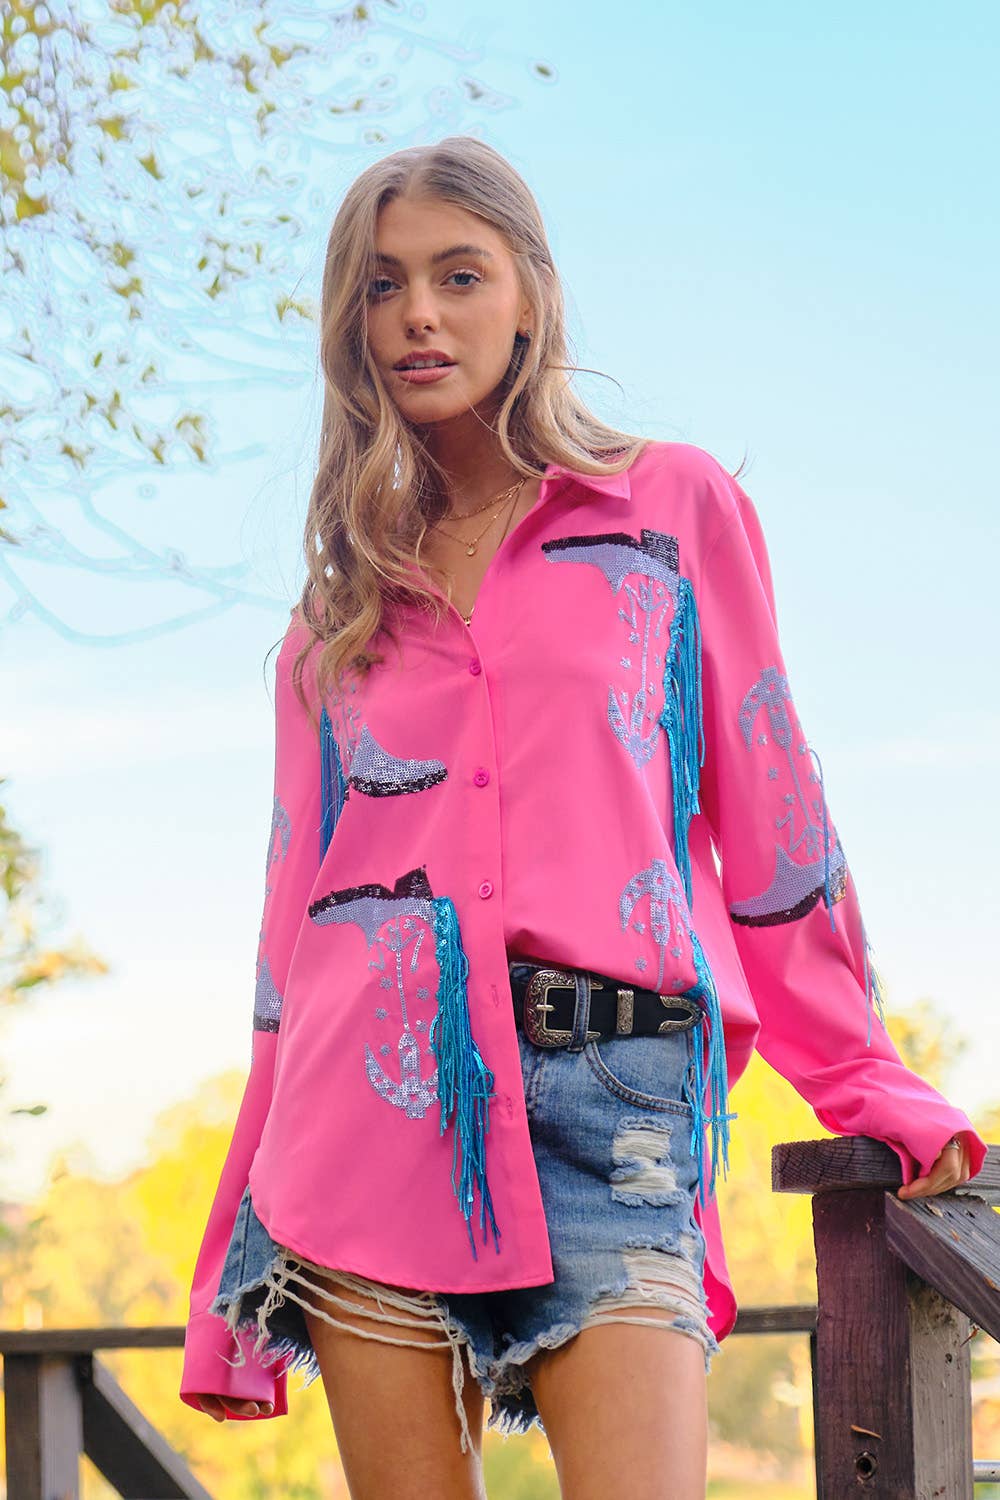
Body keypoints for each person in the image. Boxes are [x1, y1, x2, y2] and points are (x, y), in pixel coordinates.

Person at [178, 135, 987, 1500]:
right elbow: (289, 943)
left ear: (531, 298)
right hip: (365, 1104)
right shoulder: (335, 619)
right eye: (381, 286)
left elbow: (774, 811)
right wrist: (228, 1256)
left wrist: (858, 1077)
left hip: (618, 1100)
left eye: (459, 275)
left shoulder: (669, 511)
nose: (419, 315)